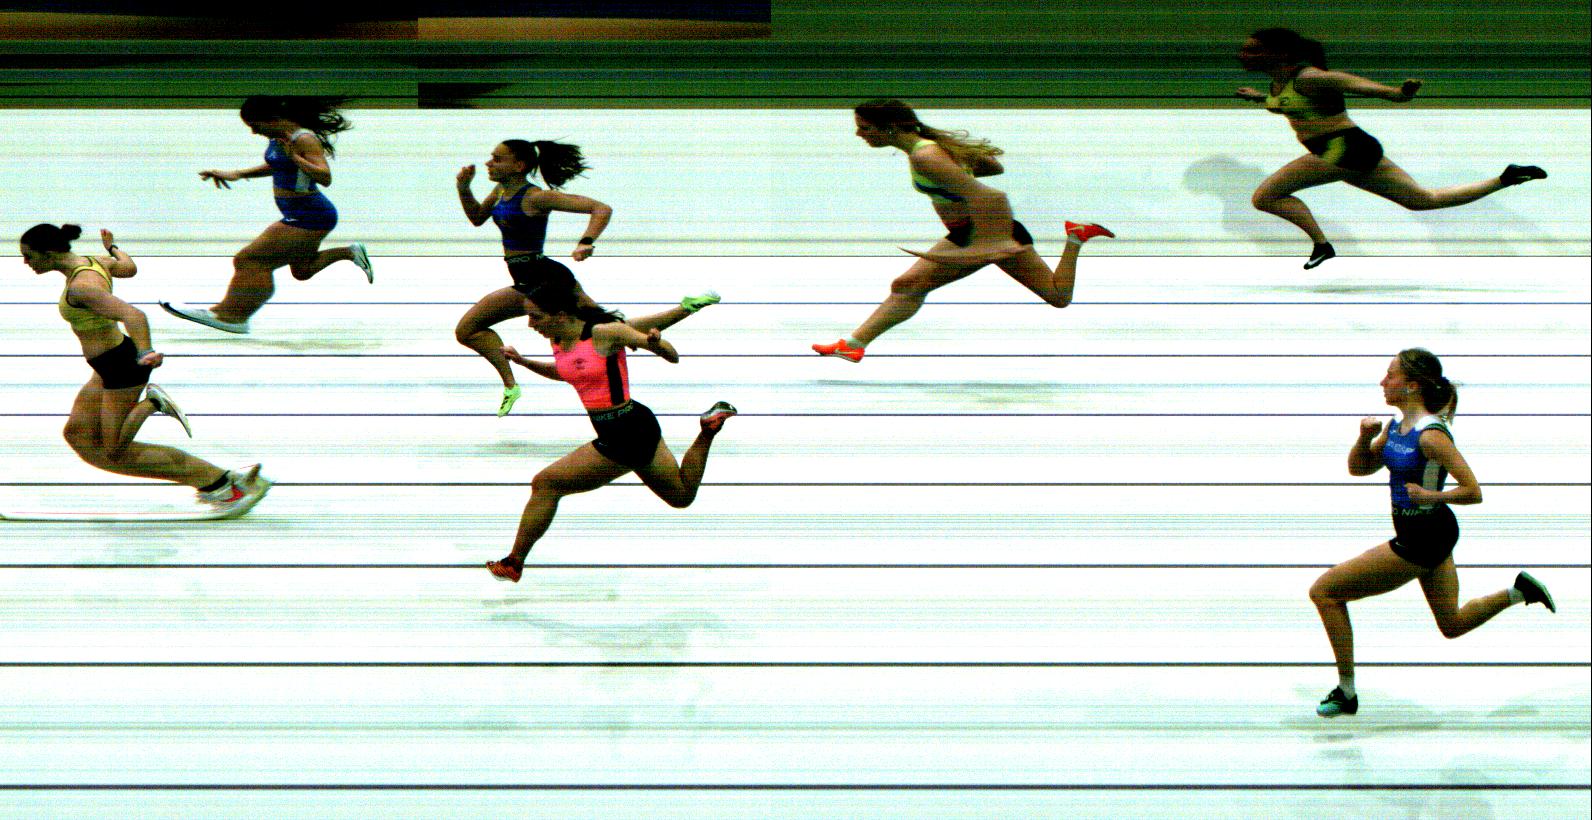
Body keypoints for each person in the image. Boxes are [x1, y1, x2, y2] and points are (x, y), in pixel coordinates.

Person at [1308, 348, 1556, 718]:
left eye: (1390, 375)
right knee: (1452, 624)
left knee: (1325, 592)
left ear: (1411, 386)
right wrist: (1364, 437)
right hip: (1430, 532)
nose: (1382, 381)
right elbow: (1358, 468)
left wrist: (1431, 496)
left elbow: (1473, 491)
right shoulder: (1395, 428)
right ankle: (1519, 592)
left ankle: (1346, 693)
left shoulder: (1431, 437)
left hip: (1421, 539)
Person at [811, 99, 1112, 364]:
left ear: (889, 127)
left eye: (864, 128)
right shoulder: (930, 149)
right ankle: (853, 345)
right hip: (970, 233)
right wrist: (957, 169)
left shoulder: (925, 156)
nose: (859, 134)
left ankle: (1075, 238)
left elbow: (992, 197)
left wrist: (994, 243)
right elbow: (992, 166)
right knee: (907, 285)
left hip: (987, 233)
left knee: (1057, 296)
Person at [484, 280, 736, 582]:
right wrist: (523, 362)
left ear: (560, 314)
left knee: (546, 484)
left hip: (625, 434)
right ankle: (708, 429)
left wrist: (655, 344)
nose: (530, 324)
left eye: (535, 317)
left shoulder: (605, 333)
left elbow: (672, 355)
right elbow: (567, 372)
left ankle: (513, 563)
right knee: (682, 496)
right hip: (632, 426)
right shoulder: (559, 339)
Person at [1235, 28, 1547, 269]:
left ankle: (1322, 245)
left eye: (1253, 51)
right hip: (1354, 150)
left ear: (1279, 54)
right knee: (1422, 200)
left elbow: (1355, 85)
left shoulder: (1310, 78)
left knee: (1265, 197)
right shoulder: (1279, 83)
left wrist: (1398, 93)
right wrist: (1259, 97)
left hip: (1342, 148)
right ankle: (1506, 178)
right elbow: (1287, 104)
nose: (1243, 55)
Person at [456, 139, 719, 415]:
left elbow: (601, 208)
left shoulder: (536, 197)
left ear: (519, 165)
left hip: (544, 278)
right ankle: (686, 307)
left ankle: (511, 386)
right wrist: (464, 188)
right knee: (608, 327)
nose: (489, 163)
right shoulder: (499, 191)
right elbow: (477, 217)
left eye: (497, 159)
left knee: (469, 330)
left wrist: (586, 241)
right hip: (528, 276)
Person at [20, 224, 270, 515]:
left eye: (29, 256)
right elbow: (129, 268)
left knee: (113, 450)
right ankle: (220, 483)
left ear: (49, 254)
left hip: (122, 368)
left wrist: (145, 352)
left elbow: (133, 315)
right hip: (108, 365)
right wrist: (113, 249)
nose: (25, 262)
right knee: (80, 436)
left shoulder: (81, 287)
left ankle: (155, 406)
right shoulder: (94, 262)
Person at [162, 95, 373, 334]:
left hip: (308, 215)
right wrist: (238, 174)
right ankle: (349, 252)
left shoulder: (304, 139)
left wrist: (295, 157)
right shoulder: (278, 139)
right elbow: (277, 165)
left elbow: (325, 177)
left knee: (250, 260)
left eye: (255, 125)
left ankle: (232, 316)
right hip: (299, 213)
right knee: (302, 270)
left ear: (272, 119)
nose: (254, 132)